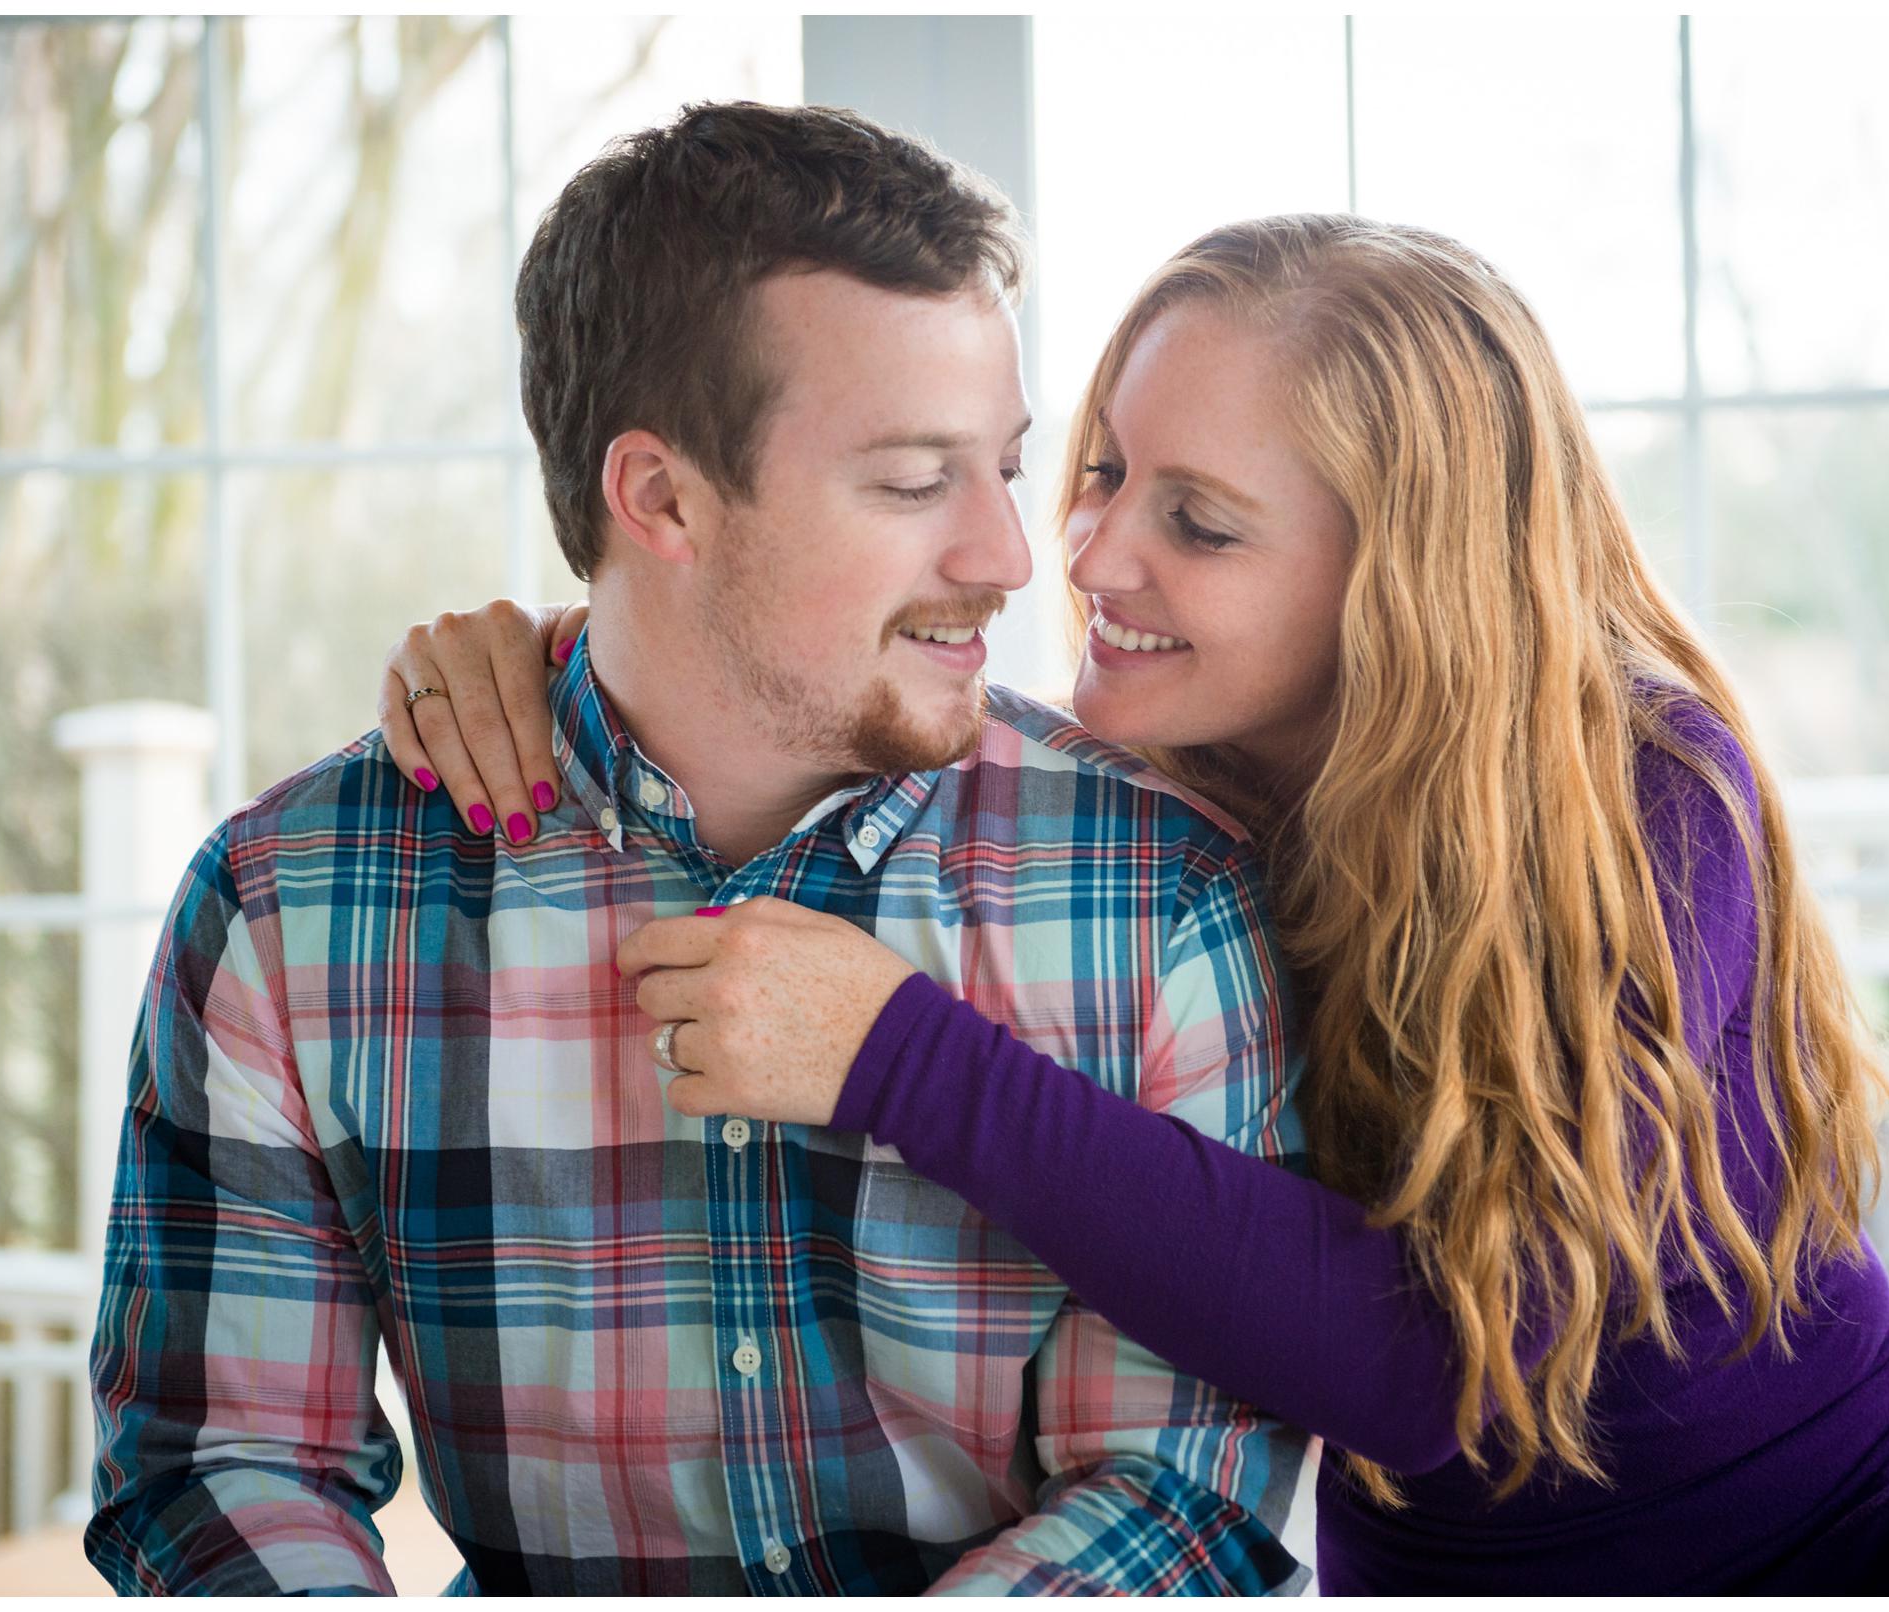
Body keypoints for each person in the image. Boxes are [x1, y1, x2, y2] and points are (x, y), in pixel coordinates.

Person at [383, 214, 1889, 1593]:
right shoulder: (1151, 799)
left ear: (1401, 574)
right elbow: (779, 671)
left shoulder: (1641, 793)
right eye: (1098, 469)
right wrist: (566, 657)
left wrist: (895, 1059)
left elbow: (1445, 1373)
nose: (1085, 554)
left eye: (1202, 520)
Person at [84, 102, 1315, 1597]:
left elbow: (1180, 1489)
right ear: (660, 497)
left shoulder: (1161, 892)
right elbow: (219, 1465)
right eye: (918, 480)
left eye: (1007, 463)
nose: (1010, 553)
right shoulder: (296, 909)